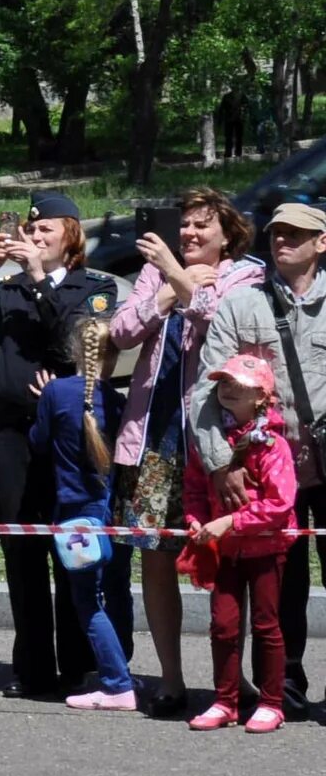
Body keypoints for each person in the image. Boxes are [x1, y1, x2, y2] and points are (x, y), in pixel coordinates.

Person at [111, 190, 262, 715]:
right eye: (185, 226)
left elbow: (217, 321)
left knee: (227, 560)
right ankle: (171, 679)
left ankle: (231, 680)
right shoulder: (157, 274)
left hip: (215, 440)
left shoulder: (246, 276)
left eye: (203, 226)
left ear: (228, 234)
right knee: (154, 556)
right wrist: (170, 289)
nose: (190, 235)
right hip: (152, 437)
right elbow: (122, 331)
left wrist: (177, 275)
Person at [0, 192, 116, 700]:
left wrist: (38, 279)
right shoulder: (7, 287)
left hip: (68, 431)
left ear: (71, 235)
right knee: (21, 547)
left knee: (70, 546)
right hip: (10, 430)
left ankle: (76, 663)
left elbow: (71, 343)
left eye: (45, 230)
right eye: (30, 231)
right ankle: (31, 666)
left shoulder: (91, 288)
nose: (34, 238)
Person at [190, 197, 326, 716]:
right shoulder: (241, 305)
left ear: (322, 243)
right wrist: (221, 463)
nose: (282, 240)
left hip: (325, 462)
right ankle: (283, 687)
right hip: (263, 469)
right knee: (281, 587)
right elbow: (204, 391)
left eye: (295, 233)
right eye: (276, 233)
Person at [184, 349, 303, 731]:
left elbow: (279, 505)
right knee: (223, 625)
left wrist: (229, 522)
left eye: (240, 387)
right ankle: (226, 701)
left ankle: (271, 702)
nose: (228, 392)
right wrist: (196, 521)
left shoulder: (273, 445)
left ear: (262, 398)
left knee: (267, 624)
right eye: (224, 385)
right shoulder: (210, 443)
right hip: (226, 551)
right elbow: (194, 489)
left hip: (266, 550)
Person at [40, 318, 135, 713]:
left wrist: (42, 397)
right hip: (111, 511)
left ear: (74, 352)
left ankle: (117, 684)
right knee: (116, 592)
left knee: (86, 602)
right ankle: (121, 668)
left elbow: (39, 442)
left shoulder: (58, 392)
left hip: (75, 513)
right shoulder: (116, 402)